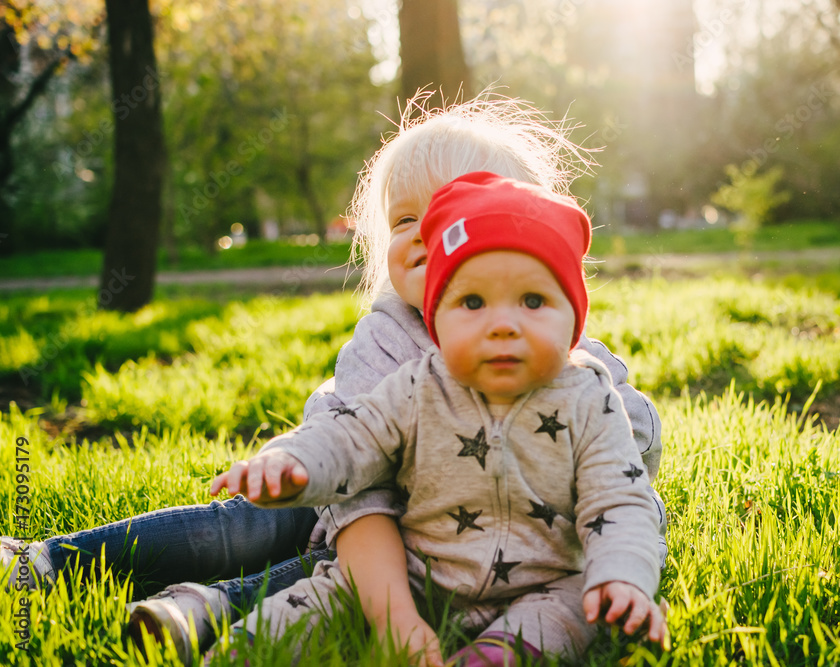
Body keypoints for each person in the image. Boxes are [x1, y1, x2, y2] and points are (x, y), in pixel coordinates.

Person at [3, 93, 664, 664]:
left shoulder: (572, 361)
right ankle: (49, 561)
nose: (427, 234)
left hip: (452, 549)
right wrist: (295, 462)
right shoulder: (385, 339)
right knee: (243, 526)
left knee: (318, 584)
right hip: (349, 504)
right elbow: (356, 497)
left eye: (457, 215)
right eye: (406, 220)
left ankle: (194, 612)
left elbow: (629, 455)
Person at [211, 172, 664, 666]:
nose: (503, 325)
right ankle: (244, 650)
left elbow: (619, 499)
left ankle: (494, 655)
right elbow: (350, 435)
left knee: (573, 610)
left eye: (533, 301)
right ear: (434, 314)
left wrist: (621, 575)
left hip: (546, 583)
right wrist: (293, 462)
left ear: (573, 319)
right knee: (326, 598)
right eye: (472, 302)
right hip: (418, 573)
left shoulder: (588, 397)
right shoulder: (418, 385)